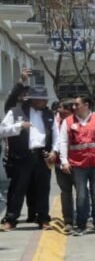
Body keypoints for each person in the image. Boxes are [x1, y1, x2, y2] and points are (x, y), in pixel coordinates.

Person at [0, 85, 54, 231]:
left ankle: (43, 218)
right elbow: (2, 130)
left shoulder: (49, 114)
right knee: (19, 188)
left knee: (43, 189)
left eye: (45, 99)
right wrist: (18, 126)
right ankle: (11, 219)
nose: (44, 102)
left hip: (42, 156)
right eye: (41, 100)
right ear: (33, 100)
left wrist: (53, 152)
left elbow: (55, 135)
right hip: (23, 156)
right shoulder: (15, 112)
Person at [60, 95, 95, 235]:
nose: (74, 107)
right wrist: (64, 161)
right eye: (73, 105)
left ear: (87, 105)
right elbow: (63, 142)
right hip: (78, 165)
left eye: (77, 104)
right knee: (81, 195)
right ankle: (81, 225)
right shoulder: (68, 122)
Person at [52, 99, 75, 233]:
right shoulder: (55, 122)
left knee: (82, 192)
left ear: (69, 110)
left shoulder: (75, 122)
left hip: (77, 163)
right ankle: (68, 220)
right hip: (60, 164)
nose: (58, 110)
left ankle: (84, 218)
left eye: (61, 108)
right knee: (66, 192)